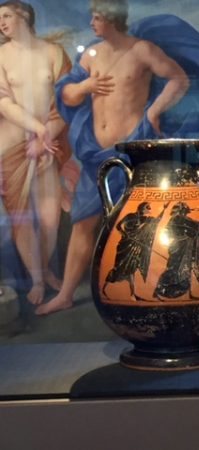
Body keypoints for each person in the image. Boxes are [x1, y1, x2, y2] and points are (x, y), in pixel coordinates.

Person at [35, 0, 192, 315]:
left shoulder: (142, 50)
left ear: (111, 18)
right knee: (83, 223)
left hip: (133, 151)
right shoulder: (91, 54)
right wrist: (85, 86)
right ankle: (66, 294)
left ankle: (153, 293)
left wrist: (154, 111)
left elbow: (179, 79)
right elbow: (66, 95)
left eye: (96, 17)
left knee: (144, 223)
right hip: (96, 155)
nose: (91, 23)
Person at [0, 0, 78, 304]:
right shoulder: (1, 56)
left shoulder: (53, 53)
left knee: (49, 218)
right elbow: (4, 103)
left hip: (48, 144)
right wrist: (37, 128)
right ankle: (36, 280)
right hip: (10, 145)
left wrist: (46, 135)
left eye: (6, 16)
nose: (2, 23)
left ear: (24, 16)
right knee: (21, 217)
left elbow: (66, 103)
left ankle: (44, 271)